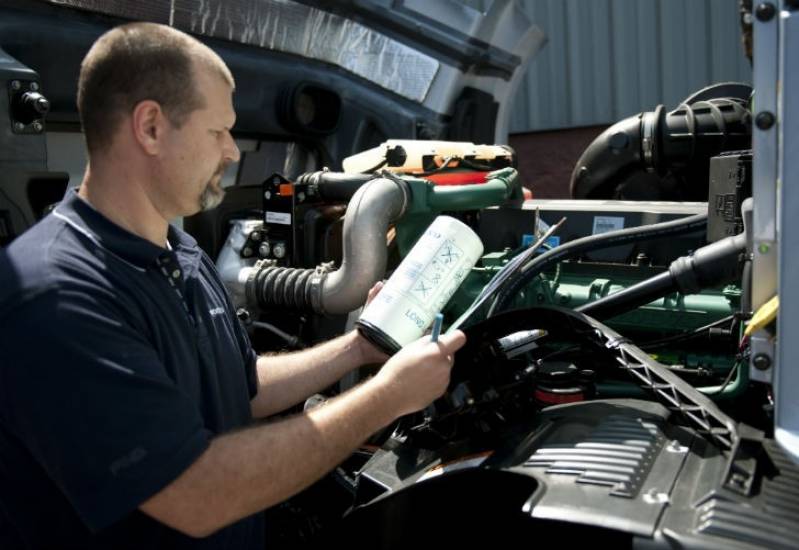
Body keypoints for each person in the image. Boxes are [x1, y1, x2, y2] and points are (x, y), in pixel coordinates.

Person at [0, 22, 466, 549]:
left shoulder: (184, 254)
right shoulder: (56, 296)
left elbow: (238, 386)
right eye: (217, 131)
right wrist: (386, 398)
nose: (231, 152)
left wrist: (360, 347)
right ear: (150, 127)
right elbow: (195, 495)